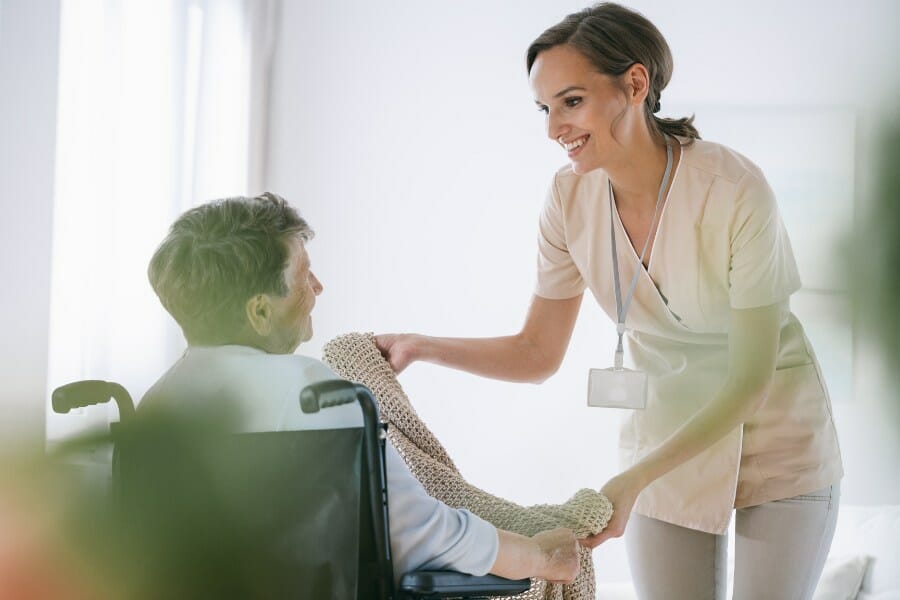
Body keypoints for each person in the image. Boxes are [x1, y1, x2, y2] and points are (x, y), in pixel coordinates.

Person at [375, 3, 843, 599]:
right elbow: (537, 352)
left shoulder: (733, 189)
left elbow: (750, 379)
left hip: (776, 435)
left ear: (635, 84)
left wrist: (630, 482)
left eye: (571, 102)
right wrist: (422, 346)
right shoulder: (569, 200)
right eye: (545, 109)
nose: (553, 128)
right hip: (668, 439)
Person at [140, 192, 580, 586]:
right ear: (259, 311)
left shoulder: (155, 407)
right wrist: (541, 557)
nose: (317, 288)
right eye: (303, 276)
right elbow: (419, 536)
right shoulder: (311, 395)